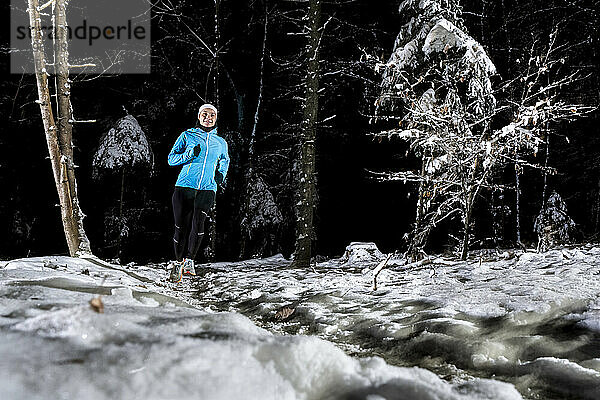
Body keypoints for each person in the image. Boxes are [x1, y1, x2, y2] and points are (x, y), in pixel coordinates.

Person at [167, 103, 230, 283]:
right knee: (181, 226)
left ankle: (190, 261)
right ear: (199, 116)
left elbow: (225, 161)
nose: (208, 118)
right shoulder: (187, 135)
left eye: (212, 115)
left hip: (208, 188)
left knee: (199, 224)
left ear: (216, 118)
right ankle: (178, 263)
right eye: (205, 114)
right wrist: (189, 155)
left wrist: (220, 175)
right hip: (185, 186)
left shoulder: (221, 142)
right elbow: (171, 159)